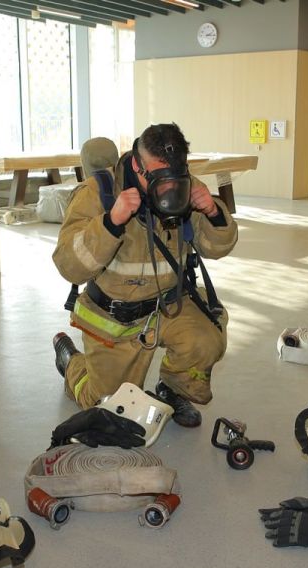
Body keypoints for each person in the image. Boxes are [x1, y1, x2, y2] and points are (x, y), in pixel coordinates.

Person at [51, 123, 237, 427]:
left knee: (206, 341)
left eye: (175, 176)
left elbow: (215, 248)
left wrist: (213, 212)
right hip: (116, 318)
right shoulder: (97, 194)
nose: (168, 188)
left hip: (169, 305)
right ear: (137, 164)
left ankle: (172, 389)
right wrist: (111, 223)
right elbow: (68, 265)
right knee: (106, 405)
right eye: (158, 177)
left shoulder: (187, 185)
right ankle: (71, 362)